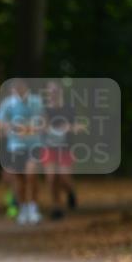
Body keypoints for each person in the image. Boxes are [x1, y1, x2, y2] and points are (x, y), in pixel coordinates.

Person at [0, 79, 44, 225]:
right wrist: (11, 126)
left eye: (21, 88)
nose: (19, 91)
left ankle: (33, 208)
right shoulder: (8, 104)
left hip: (34, 145)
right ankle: (23, 208)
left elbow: (44, 120)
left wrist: (34, 127)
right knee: (19, 179)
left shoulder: (36, 102)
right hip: (16, 146)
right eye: (17, 89)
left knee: (31, 175)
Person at [40, 79, 78, 220]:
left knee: (63, 177)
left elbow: (77, 126)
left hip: (65, 148)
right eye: (49, 91)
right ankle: (56, 206)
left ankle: (70, 191)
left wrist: (69, 128)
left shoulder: (68, 108)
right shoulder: (44, 109)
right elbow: (40, 126)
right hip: (49, 147)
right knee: (51, 178)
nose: (52, 93)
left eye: (55, 90)